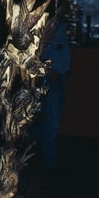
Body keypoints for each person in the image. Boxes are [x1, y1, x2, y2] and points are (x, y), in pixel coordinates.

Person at [35, 10, 71, 171]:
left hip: (58, 79)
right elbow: (39, 54)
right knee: (49, 121)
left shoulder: (60, 28)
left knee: (48, 122)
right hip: (50, 80)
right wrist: (49, 72)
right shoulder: (47, 28)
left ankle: (42, 158)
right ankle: (48, 162)